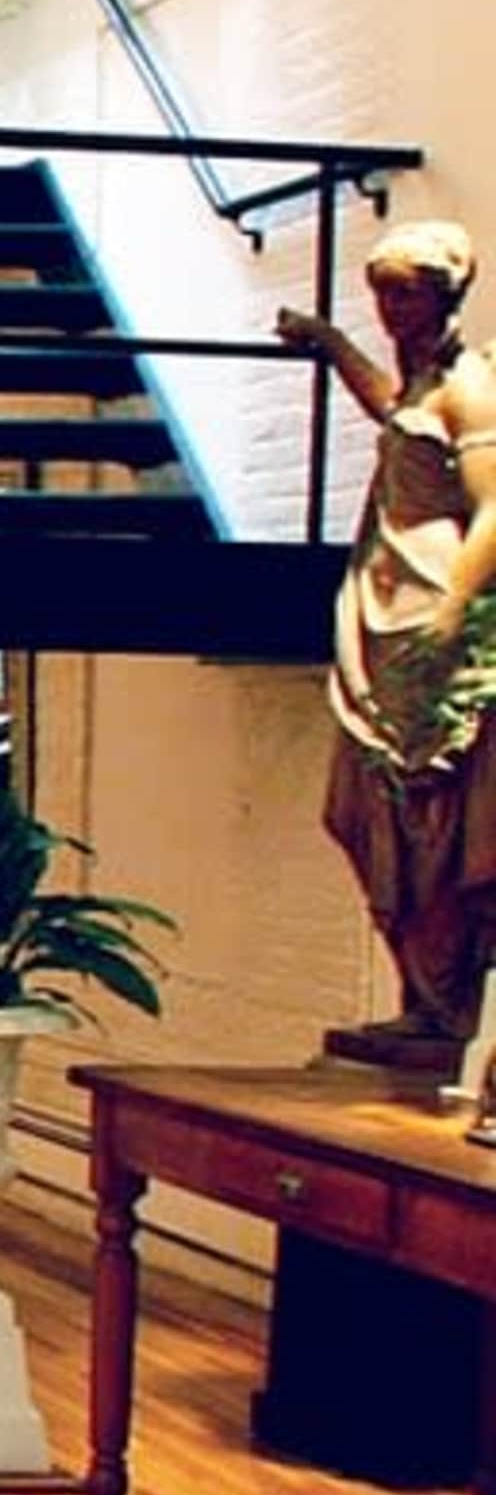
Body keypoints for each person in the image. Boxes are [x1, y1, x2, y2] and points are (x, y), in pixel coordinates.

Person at [275, 218, 496, 1053]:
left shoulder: (472, 386)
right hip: (381, 599)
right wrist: (329, 341)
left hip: (430, 598)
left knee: (429, 814)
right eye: (381, 293)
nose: (391, 308)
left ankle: (444, 1011)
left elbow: (494, 509)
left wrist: (452, 614)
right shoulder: (420, 381)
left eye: (405, 292)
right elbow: (394, 415)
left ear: (445, 292)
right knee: (359, 811)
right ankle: (422, 1000)